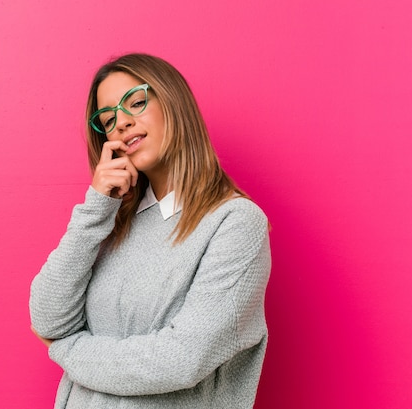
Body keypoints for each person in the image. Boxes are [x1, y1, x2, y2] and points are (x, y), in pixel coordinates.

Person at [29, 53, 271, 409]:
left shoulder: (235, 223)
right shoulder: (111, 222)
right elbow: (47, 317)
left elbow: (180, 360)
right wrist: (97, 206)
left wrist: (67, 347)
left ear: (174, 103)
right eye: (108, 119)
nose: (122, 123)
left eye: (137, 102)